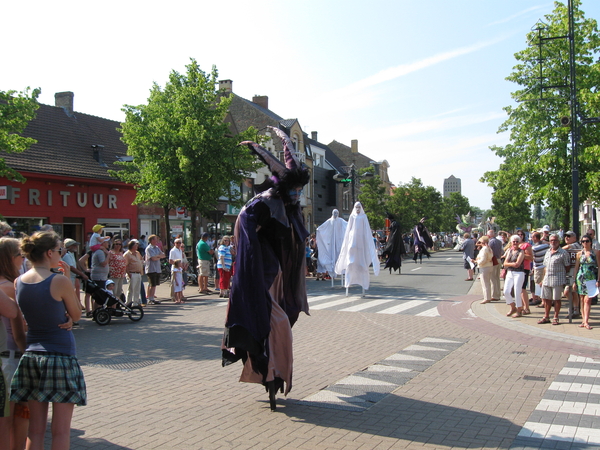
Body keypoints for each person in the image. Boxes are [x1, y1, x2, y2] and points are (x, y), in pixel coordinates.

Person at [222, 126, 310, 410]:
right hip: (258, 268)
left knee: (281, 322)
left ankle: (272, 373)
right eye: (293, 189)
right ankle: (269, 371)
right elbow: (244, 221)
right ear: (284, 188)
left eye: (300, 190)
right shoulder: (266, 202)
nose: (297, 194)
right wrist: (251, 257)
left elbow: (294, 238)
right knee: (277, 323)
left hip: (274, 269)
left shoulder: (290, 206)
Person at [10, 231, 86, 450]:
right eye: (60, 249)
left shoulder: (19, 281)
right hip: (60, 355)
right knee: (61, 432)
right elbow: (77, 313)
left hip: (32, 356)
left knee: (35, 430)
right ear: (50, 252)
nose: (61, 252)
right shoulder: (59, 280)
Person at [0, 237, 26, 449]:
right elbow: (21, 328)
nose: (23, 259)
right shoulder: (9, 287)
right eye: (20, 255)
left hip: (6, 358)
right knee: (13, 420)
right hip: (10, 359)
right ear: (10, 259)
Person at [335, 202, 380, 291]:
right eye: (356, 207)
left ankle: (363, 282)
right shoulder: (352, 217)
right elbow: (348, 229)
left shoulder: (364, 217)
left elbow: (367, 230)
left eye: (359, 207)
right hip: (353, 240)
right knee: (351, 260)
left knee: (361, 261)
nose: (358, 209)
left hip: (361, 241)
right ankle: (348, 281)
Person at [538, 234, 570, 326]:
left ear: (558, 241)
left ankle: (555, 317)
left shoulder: (563, 253)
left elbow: (567, 266)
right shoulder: (548, 252)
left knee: (556, 299)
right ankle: (546, 316)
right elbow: (545, 266)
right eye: (551, 240)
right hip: (547, 278)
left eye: (555, 240)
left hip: (557, 279)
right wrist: (543, 279)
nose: (553, 242)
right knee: (546, 298)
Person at [573, 234, 599, 330]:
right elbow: (576, 268)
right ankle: (583, 320)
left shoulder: (595, 252)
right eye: (583, 241)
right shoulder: (579, 254)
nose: (585, 243)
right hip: (581, 277)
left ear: (590, 242)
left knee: (588, 299)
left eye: (587, 241)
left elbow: (599, 267)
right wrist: (574, 281)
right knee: (582, 298)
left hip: (591, 278)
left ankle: (586, 321)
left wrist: (598, 279)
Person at [316, 209, 347, 280]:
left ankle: (339, 268)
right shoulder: (330, 221)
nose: (335, 214)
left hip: (338, 241)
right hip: (331, 241)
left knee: (339, 254)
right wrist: (319, 229)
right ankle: (331, 269)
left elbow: (347, 225)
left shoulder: (340, 221)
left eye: (337, 213)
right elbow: (323, 227)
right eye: (334, 213)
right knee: (331, 254)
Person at [502, 235, 525, 318]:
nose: (515, 243)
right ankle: (513, 307)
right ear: (511, 242)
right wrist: (512, 264)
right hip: (510, 272)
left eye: (517, 241)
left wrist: (509, 264)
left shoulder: (521, 251)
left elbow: (518, 264)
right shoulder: (510, 251)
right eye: (513, 241)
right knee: (506, 291)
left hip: (519, 273)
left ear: (519, 242)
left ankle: (519, 310)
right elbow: (505, 263)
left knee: (517, 291)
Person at [61, 238, 89, 309]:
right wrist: (82, 274)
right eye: (74, 245)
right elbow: (71, 268)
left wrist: (81, 271)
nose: (76, 247)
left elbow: (75, 265)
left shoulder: (72, 254)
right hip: (68, 277)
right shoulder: (67, 255)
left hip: (72, 277)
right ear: (69, 246)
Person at [516, 230, 534, 314]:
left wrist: (521, 254)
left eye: (521, 234)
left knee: (523, 288)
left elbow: (531, 258)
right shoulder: (514, 245)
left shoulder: (526, 245)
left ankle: (527, 307)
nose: (520, 236)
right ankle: (521, 307)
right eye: (518, 234)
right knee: (518, 289)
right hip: (515, 268)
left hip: (524, 268)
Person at [145, 235, 165, 305]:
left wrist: (157, 257)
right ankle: (150, 299)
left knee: (154, 284)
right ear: (152, 240)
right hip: (151, 268)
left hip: (157, 268)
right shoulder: (149, 248)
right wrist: (158, 257)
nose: (157, 241)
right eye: (156, 239)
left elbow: (163, 255)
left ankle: (151, 297)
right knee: (152, 284)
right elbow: (152, 258)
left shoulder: (156, 248)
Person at [531, 231, 549, 305]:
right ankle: (544, 300)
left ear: (535, 238)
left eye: (532, 237)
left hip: (539, 267)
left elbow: (532, 257)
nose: (531, 239)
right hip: (546, 266)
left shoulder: (534, 248)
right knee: (544, 284)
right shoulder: (546, 245)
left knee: (539, 284)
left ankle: (543, 301)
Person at [124, 240, 144, 307]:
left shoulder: (137, 253)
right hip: (132, 273)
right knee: (131, 289)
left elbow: (141, 260)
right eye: (135, 245)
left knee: (137, 289)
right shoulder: (127, 254)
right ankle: (128, 302)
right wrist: (129, 273)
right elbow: (125, 265)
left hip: (138, 273)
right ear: (132, 246)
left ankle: (135, 302)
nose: (137, 246)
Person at [477, 236, 494, 304]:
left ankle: (486, 298)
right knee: (487, 283)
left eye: (480, 242)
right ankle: (488, 297)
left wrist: (477, 262)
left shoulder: (484, 249)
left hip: (484, 266)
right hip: (489, 265)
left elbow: (483, 259)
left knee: (485, 283)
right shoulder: (489, 248)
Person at [487, 230, 503, 301]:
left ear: (489, 236)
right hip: (498, 259)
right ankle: (498, 294)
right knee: (497, 278)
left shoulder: (490, 242)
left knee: (493, 278)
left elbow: (489, 251)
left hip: (493, 260)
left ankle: (494, 295)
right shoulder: (499, 241)